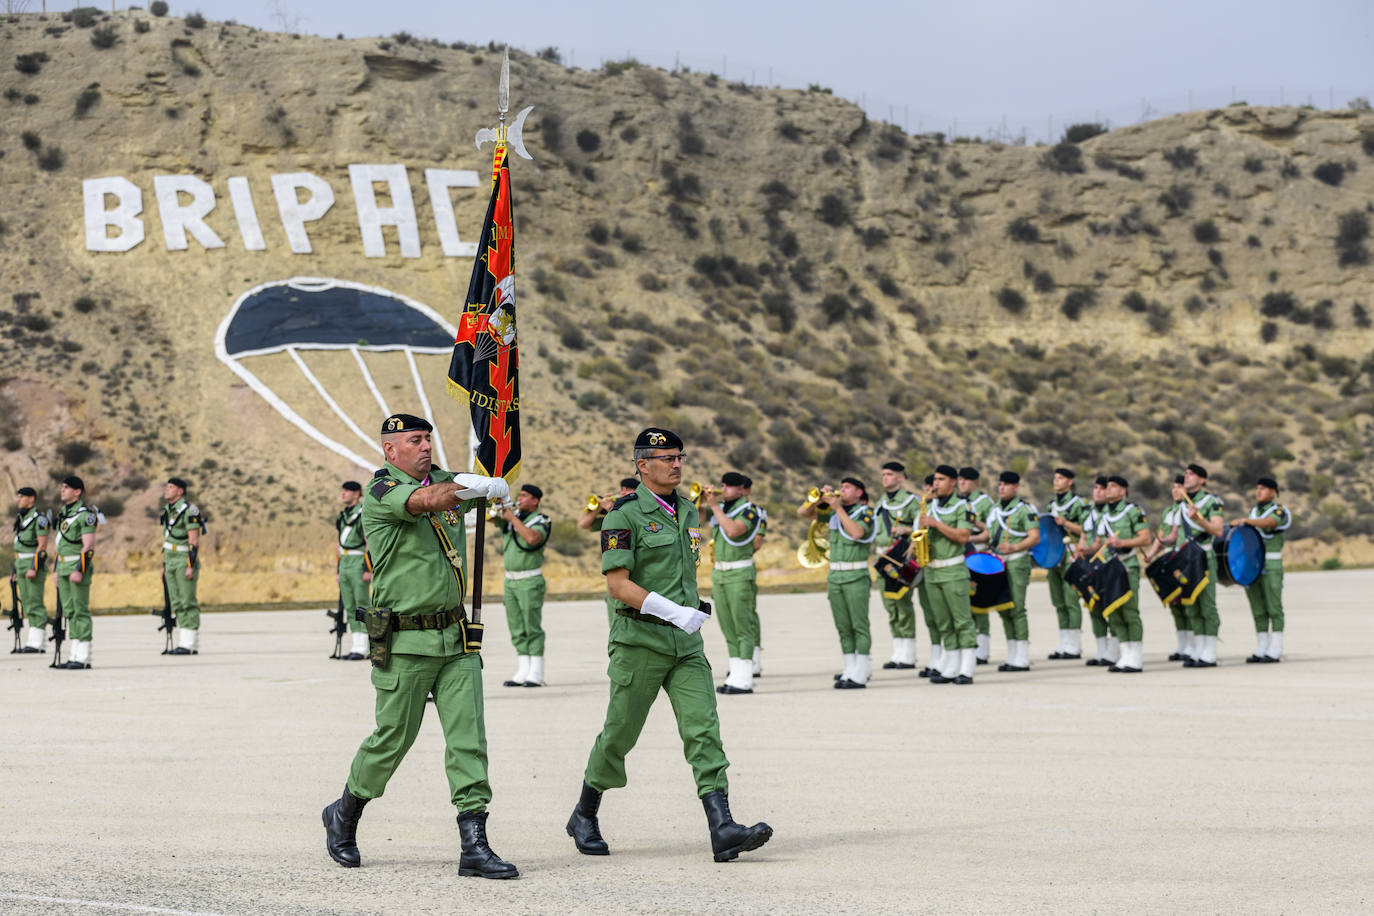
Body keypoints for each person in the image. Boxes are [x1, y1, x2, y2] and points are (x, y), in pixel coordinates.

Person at [321, 413, 517, 879]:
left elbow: (459, 486)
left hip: (455, 638)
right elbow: (430, 499)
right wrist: (476, 486)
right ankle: (345, 812)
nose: (426, 445)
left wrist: (494, 479)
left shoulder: (446, 481)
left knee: (469, 740)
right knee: (393, 739)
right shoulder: (383, 491)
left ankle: (474, 844)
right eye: (414, 440)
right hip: (406, 640)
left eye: (428, 437)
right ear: (391, 451)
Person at [567, 427, 772, 863]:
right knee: (620, 734)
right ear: (643, 465)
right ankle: (585, 813)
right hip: (639, 640)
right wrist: (673, 610)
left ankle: (722, 827)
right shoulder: (623, 515)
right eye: (667, 458)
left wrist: (689, 609)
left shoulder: (688, 509)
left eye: (680, 457)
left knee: (704, 730)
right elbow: (619, 586)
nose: (677, 464)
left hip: (685, 643)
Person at [798, 477, 876, 688]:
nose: (842, 490)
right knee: (843, 626)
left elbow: (857, 532)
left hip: (856, 575)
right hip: (836, 576)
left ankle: (861, 669)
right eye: (841, 487)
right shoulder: (832, 512)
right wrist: (818, 500)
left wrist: (837, 508)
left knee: (859, 625)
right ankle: (849, 667)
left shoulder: (866, 513)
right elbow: (803, 513)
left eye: (847, 487)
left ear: (859, 492)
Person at [700, 471, 763, 695]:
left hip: (739, 574)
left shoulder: (750, 510)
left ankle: (745, 677)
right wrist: (701, 501)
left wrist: (715, 507)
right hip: (721, 575)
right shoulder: (723, 509)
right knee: (728, 628)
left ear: (740, 489)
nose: (723, 489)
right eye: (722, 485)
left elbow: (735, 531)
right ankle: (736, 673)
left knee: (742, 627)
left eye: (728, 486)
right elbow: (696, 520)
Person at [920, 465, 978, 684]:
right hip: (932, 570)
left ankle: (967, 666)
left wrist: (936, 524)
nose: (936, 484)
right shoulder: (928, 506)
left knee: (962, 620)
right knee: (943, 621)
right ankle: (951, 664)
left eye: (941, 479)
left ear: (953, 482)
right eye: (934, 479)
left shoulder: (964, 507)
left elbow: (963, 536)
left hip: (953, 569)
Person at [975, 471, 1039, 672]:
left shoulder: (1025, 509)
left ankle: (1022, 655)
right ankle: (1012, 653)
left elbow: (1034, 537)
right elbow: (988, 534)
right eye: (1000, 484)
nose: (1002, 488)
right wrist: (968, 539)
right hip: (997, 563)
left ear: (1016, 487)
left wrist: (1014, 547)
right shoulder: (995, 509)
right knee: (1003, 607)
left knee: (1017, 608)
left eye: (1006, 485)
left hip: (1017, 562)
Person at [493, 483, 551, 687]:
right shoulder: (513, 518)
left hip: (529, 580)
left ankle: (536, 671)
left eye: (525, 496)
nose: (520, 498)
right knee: (516, 627)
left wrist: (512, 518)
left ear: (535, 500)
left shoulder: (541, 520)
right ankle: (522, 669)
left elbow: (532, 539)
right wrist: (500, 505)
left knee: (531, 626)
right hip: (511, 581)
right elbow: (490, 517)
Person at [1093, 476, 1151, 673]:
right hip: (1109, 567)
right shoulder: (1103, 515)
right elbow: (1099, 542)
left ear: (1123, 491)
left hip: (1127, 565)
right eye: (1107, 486)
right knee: (1114, 612)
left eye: (1113, 486)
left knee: (1129, 610)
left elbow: (1145, 538)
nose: (1108, 489)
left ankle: (1136, 656)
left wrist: (1122, 543)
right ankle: (1124, 654)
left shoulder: (1132, 511)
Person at [1231, 476, 1291, 664]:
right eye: (1257, 488)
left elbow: (1270, 523)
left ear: (1273, 492)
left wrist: (1247, 521)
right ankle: (1262, 645)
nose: (1259, 492)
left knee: (1274, 606)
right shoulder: (1254, 512)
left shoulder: (1279, 511)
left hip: (1271, 564)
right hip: (1253, 564)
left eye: (1264, 488)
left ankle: (1276, 647)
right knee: (1257, 607)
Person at [874, 461, 919, 670]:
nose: (885, 478)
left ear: (900, 478)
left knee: (903, 603)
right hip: (883, 557)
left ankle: (908, 652)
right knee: (889, 606)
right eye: (883, 474)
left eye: (890, 474)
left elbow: (920, 529)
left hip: (900, 556)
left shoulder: (911, 501)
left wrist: (907, 530)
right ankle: (897, 650)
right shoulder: (881, 502)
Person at [1180, 464, 1225, 668]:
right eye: (1186, 474)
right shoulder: (1180, 503)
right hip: (1187, 559)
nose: (1187, 477)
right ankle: (1199, 647)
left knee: (1207, 604)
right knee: (1192, 605)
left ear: (1202, 480)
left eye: (1192, 474)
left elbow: (1218, 530)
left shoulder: (1211, 501)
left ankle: (1210, 651)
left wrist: (1200, 519)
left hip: (1204, 556)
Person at [51, 476, 98, 670]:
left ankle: (84, 656)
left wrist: (80, 570)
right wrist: (55, 570)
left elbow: (88, 546)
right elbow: (59, 545)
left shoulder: (85, 514)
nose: (62, 490)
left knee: (80, 610)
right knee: (69, 611)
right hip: (62, 567)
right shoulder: (63, 513)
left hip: (76, 567)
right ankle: (74, 654)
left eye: (67, 487)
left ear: (77, 491)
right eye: (62, 487)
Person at [1146, 475, 1195, 661]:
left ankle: (1192, 644)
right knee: (1175, 603)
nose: (1175, 490)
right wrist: (1151, 553)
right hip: (1171, 560)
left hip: (1185, 559)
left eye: (1179, 486)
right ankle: (1182, 644)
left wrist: (1167, 540)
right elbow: (1163, 536)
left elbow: (1175, 536)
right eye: (1173, 487)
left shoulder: (1188, 508)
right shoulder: (1168, 511)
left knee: (1187, 603)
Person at [580, 478, 640, 625]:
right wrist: (598, 508)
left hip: (633, 574)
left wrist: (611, 510)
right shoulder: (614, 510)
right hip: (614, 572)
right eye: (622, 489)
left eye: (628, 489)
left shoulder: (636, 510)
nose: (623, 492)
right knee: (614, 621)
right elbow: (583, 524)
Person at [1045, 468, 1088, 660]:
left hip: (1072, 552)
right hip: (1055, 554)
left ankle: (1075, 644)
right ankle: (1064, 641)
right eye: (1054, 477)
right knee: (1058, 600)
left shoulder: (1079, 504)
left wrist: (1066, 523)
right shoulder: (1051, 504)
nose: (1056, 481)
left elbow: (1086, 529)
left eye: (1060, 478)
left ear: (1070, 482)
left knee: (1071, 598)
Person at [1076, 476, 1119, 667]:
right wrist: (1079, 552)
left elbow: (1099, 543)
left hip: (1108, 562)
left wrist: (1089, 549)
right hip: (1092, 564)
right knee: (1094, 607)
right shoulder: (1088, 512)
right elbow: (1083, 537)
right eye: (1096, 488)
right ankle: (1102, 649)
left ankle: (1115, 650)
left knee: (1112, 607)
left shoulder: (1113, 513)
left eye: (1102, 488)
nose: (1098, 492)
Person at [160, 477, 205, 655]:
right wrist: (164, 564)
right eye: (167, 486)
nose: (166, 489)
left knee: (187, 600)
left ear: (180, 491)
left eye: (171, 487)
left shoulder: (190, 510)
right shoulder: (167, 510)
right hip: (170, 559)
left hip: (183, 558)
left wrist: (189, 566)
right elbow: (166, 540)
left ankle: (190, 642)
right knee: (176, 601)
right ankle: (183, 641)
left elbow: (194, 541)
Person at [957, 467, 994, 664]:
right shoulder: (956, 502)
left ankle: (983, 647)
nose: (962, 483)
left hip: (978, 552)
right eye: (960, 479)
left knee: (979, 600)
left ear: (976, 483)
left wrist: (970, 536)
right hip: (959, 553)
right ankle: (968, 643)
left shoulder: (984, 502)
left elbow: (991, 529)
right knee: (964, 602)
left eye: (967, 480)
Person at [335, 481, 372, 661]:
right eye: (343, 490)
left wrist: (368, 568)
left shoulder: (362, 513)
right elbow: (339, 545)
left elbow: (369, 542)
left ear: (357, 494)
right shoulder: (343, 516)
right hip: (345, 562)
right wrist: (338, 570)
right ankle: (356, 645)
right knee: (349, 605)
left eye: (348, 491)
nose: (343, 494)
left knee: (362, 603)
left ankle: (365, 646)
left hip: (359, 561)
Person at [11, 486, 50, 653]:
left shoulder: (39, 519)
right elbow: (17, 546)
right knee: (26, 602)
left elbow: (42, 546)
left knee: (35, 601)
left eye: (22, 497)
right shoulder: (20, 518)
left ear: (31, 499)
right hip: (20, 564)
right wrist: (14, 570)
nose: (18, 500)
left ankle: (38, 641)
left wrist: (34, 567)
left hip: (31, 565)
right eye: (18, 497)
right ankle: (33, 638)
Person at [915, 475, 943, 678]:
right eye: (926, 487)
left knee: (943, 615)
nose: (929, 491)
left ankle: (948, 656)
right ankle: (936, 654)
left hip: (945, 566)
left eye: (932, 487)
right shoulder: (924, 510)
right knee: (929, 615)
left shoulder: (946, 510)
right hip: (927, 565)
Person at [742, 475, 766, 676]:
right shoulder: (725, 510)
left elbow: (756, 543)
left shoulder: (757, 512)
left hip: (742, 566)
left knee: (749, 613)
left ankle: (755, 658)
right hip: (723, 570)